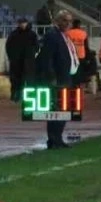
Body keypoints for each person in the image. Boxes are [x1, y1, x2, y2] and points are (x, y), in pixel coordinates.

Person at [37, 9, 78, 149]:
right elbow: (47, 58)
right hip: (58, 79)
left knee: (64, 110)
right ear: (57, 21)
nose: (68, 23)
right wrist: (51, 77)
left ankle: (57, 139)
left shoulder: (63, 35)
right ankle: (54, 140)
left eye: (70, 21)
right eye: (65, 20)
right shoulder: (52, 35)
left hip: (66, 76)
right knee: (56, 111)